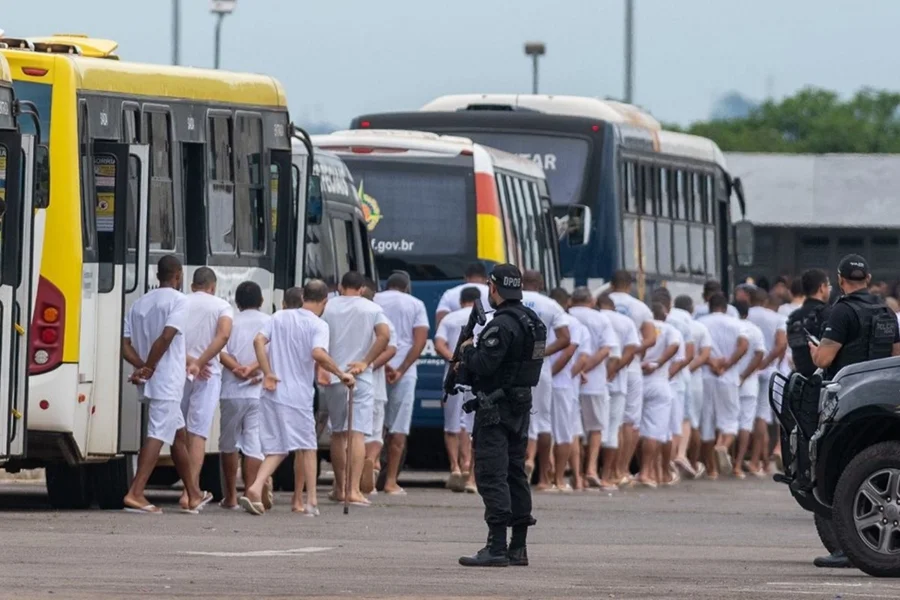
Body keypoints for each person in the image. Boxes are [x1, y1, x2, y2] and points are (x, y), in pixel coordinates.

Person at [809, 255, 900, 569]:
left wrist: (814, 350)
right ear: (869, 277)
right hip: (886, 399)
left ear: (840, 279)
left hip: (848, 401)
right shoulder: (887, 311)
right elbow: (896, 356)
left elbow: (823, 359)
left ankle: (847, 547)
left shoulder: (842, 310)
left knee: (844, 474)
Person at [457, 264, 546, 568]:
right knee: (515, 474)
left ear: (494, 288)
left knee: (492, 475)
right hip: (520, 407)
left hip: (495, 410)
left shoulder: (501, 325)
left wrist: (468, 350)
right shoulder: (533, 321)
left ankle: (496, 546)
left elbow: (483, 365)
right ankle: (518, 547)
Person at [241, 282, 355, 516]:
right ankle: (311, 500)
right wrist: (341, 373)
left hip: (271, 392)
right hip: (297, 395)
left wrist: (268, 371)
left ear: (303, 296)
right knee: (307, 446)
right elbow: (317, 353)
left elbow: (258, 342)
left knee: (278, 448)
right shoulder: (318, 324)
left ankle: (254, 487)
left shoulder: (279, 316)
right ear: (324, 302)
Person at [121, 255, 204, 514]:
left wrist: (141, 366)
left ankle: (193, 494)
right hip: (166, 378)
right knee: (158, 433)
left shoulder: (139, 303)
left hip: (152, 377)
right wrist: (151, 367)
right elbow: (167, 336)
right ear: (178, 276)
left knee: (178, 435)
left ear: (158, 276)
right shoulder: (180, 301)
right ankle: (135, 493)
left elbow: (124, 345)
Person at [321, 271, 391, 505]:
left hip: (334, 375)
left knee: (338, 434)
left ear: (341, 286)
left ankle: (340, 489)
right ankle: (353, 490)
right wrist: (366, 361)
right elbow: (384, 336)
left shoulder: (328, 306)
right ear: (362, 289)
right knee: (357, 433)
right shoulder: (371, 309)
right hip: (360, 377)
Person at [180, 267, 233, 511]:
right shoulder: (222, 306)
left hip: (178, 371)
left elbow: (170, 336)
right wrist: (200, 362)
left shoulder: (180, 303)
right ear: (212, 287)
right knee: (197, 433)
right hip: (208, 374)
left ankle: (188, 490)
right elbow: (222, 337)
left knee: (177, 432)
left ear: (193, 285)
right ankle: (189, 492)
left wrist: (189, 361)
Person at [375, 272, 430, 495]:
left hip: (377, 367)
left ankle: (367, 477)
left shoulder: (375, 300)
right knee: (398, 429)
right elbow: (419, 342)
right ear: (407, 287)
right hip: (404, 375)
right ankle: (390, 482)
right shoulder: (416, 304)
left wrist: (385, 365)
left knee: (373, 426)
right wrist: (400, 370)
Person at [218, 281, 271, 510]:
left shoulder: (231, 321)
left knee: (228, 444)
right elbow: (270, 351)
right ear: (260, 301)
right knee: (254, 443)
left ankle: (230, 497)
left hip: (230, 390)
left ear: (237, 302)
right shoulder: (269, 321)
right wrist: (253, 368)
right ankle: (253, 491)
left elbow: (220, 350)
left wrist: (238, 369)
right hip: (258, 390)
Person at [435, 286, 489, 491]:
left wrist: (454, 359)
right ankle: (470, 470)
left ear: (460, 301)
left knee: (451, 424)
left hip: (453, 376)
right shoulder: (486, 320)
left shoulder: (449, 318)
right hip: (476, 376)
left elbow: (439, 343)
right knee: (471, 424)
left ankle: (455, 467)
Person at [521, 270, 571, 490]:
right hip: (539, 368)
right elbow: (565, 339)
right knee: (542, 421)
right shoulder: (552, 305)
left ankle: (519, 464)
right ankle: (542, 478)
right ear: (541, 284)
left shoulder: (510, 301)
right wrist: (541, 352)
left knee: (516, 417)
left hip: (512, 366)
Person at [608, 270, 657, 484]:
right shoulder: (640, 307)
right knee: (629, 420)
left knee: (609, 421)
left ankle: (606, 471)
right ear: (630, 285)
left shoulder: (603, 304)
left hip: (605, 367)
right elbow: (651, 338)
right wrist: (634, 348)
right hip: (632, 369)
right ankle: (622, 470)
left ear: (611, 284)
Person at [568, 287, 619, 490]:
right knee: (595, 429)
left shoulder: (567, 315)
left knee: (573, 430)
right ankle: (591, 469)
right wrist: (587, 367)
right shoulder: (601, 319)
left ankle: (577, 475)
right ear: (591, 301)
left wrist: (576, 369)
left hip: (569, 380)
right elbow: (606, 349)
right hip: (595, 383)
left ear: (572, 300)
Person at [697, 293, 749, 479]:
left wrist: (713, 364)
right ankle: (723, 446)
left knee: (708, 422)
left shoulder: (701, 322)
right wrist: (727, 365)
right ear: (726, 307)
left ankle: (711, 470)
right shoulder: (736, 323)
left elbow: (699, 350)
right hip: (729, 377)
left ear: (709, 306)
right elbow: (743, 346)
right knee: (730, 420)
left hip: (706, 376)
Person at [596, 293, 639, 487]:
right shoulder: (625, 322)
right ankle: (610, 474)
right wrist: (615, 370)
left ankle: (588, 472)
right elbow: (631, 351)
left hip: (593, 380)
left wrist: (604, 373)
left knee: (593, 429)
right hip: (618, 382)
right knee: (614, 428)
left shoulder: (595, 318)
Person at [636, 303, 681, 488]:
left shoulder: (640, 327)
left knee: (635, 429)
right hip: (659, 382)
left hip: (638, 380)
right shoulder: (670, 329)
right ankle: (650, 472)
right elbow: (676, 347)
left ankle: (645, 470)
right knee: (655, 431)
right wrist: (658, 363)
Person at [652, 288, 695, 482]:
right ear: (669, 305)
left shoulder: (646, 324)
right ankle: (670, 463)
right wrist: (667, 374)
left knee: (654, 426)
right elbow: (688, 355)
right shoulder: (681, 325)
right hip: (675, 381)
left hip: (652, 379)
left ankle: (655, 467)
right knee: (674, 425)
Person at [360, 278, 397, 495]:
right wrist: (371, 365)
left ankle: (346, 479)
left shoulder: (336, 309)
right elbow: (390, 347)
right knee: (374, 432)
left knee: (347, 433)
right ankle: (371, 463)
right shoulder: (378, 314)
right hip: (374, 384)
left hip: (346, 380)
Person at [746, 287, 788, 475]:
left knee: (748, 417)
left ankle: (757, 460)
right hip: (767, 370)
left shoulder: (746, 315)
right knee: (762, 416)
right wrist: (766, 363)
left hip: (747, 370)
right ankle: (757, 461)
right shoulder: (777, 318)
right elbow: (781, 345)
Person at [547, 287, 583, 492]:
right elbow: (569, 352)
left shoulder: (540, 315)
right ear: (567, 302)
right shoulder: (573, 323)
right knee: (563, 433)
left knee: (541, 429)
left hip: (540, 381)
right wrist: (552, 373)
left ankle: (545, 475)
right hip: (561, 384)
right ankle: (559, 479)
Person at [676, 295, 712, 478]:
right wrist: (686, 369)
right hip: (692, 379)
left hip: (668, 375)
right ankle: (690, 460)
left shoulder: (668, 319)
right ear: (691, 309)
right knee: (691, 422)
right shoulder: (698, 327)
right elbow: (704, 354)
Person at [734, 300, 766, 479]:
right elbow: (760, 355)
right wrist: (745, 375)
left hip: (727, 380)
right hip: (749, 383)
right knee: (745, 423)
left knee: (727, 422)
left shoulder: (732, 326)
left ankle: (717, 463)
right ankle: (738, 465)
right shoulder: (755, 330)